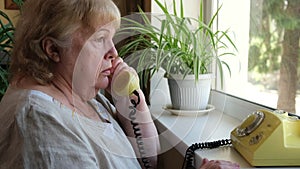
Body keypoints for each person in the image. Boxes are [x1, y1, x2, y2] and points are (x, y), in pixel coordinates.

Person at [0, 0, 240, 169]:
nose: (114, 52)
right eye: (100, 39)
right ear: (53, 49)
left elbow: (149, 161)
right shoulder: (39, 120)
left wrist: (133, 102)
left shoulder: (86, 96)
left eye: (111, 39)